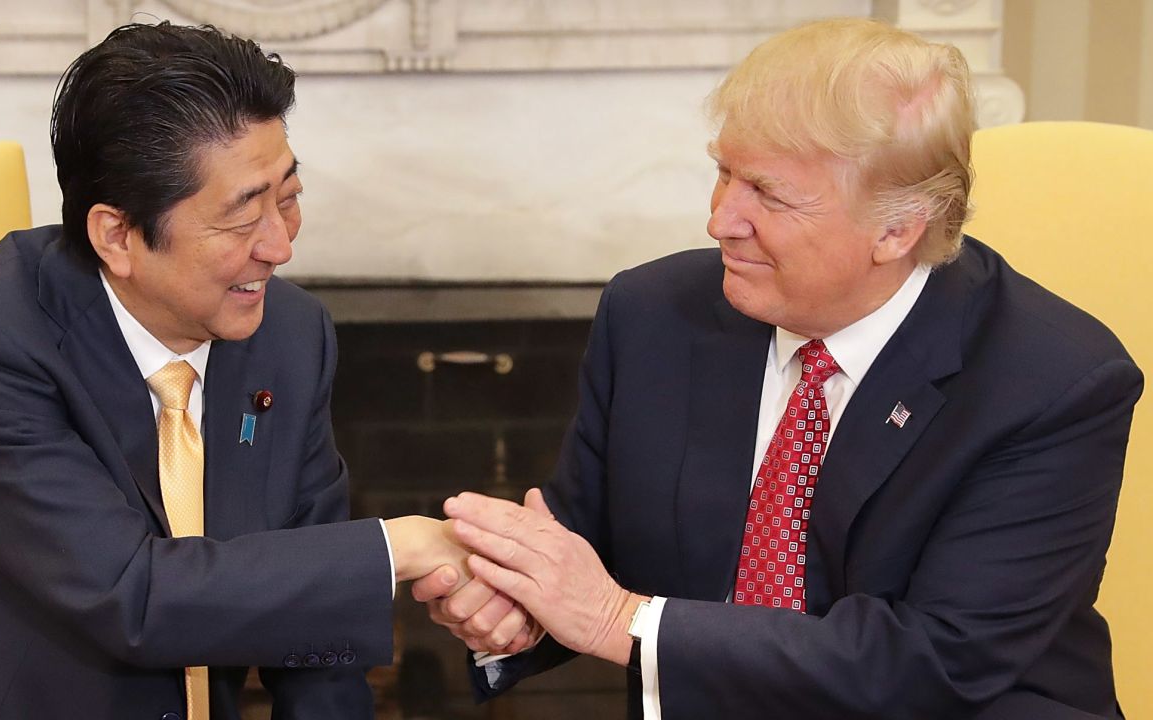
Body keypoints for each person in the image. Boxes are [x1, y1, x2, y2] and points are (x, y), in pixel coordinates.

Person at [417, 17, 1143, 719]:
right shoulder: (652, 314)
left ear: (896, 229)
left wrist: (615, 620)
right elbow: (584, 545)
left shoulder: (1052, 382)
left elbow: (937, 663)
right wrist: (519, 604)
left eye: (768, 193)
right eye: (723, 173)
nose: (720, 220)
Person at [0, 22, 474, 720]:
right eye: (242, 217)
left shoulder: (289, 332)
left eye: (289, 197)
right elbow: (130, 593)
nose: (279, 246)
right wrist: (395, 545)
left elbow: (318, 618)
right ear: (118, 235)